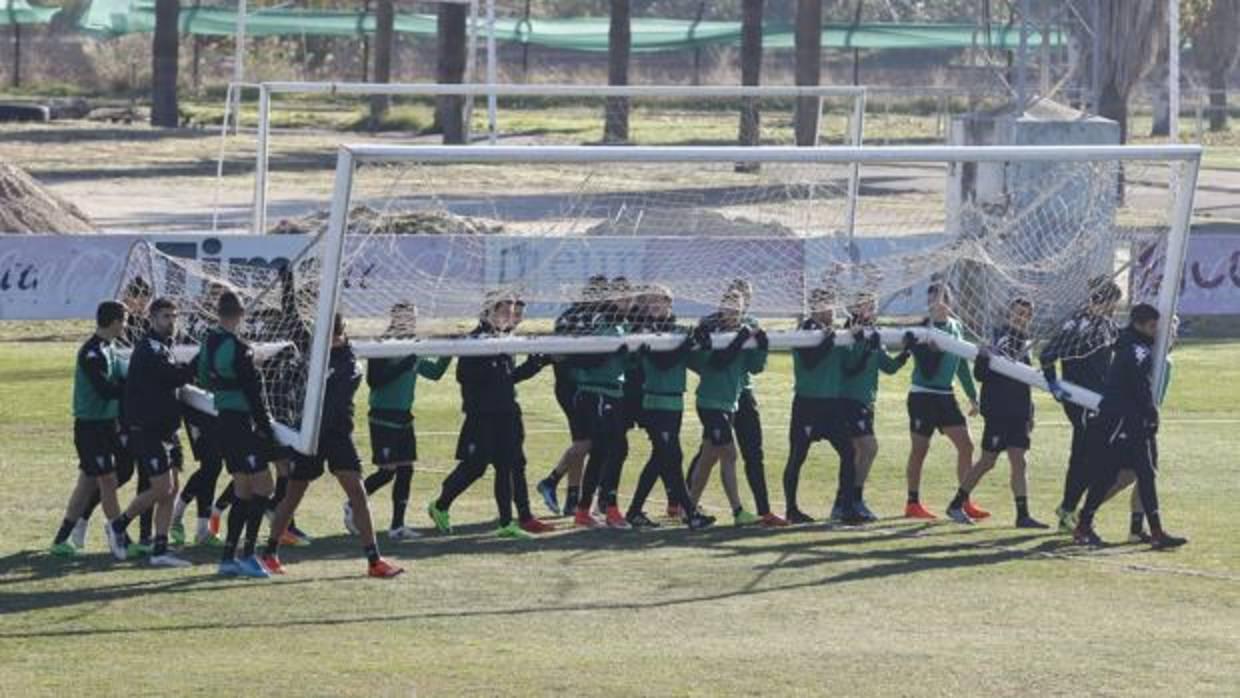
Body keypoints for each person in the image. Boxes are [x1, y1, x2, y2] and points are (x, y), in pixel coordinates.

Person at [261, 314, 404, 578]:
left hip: (335, 436)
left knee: (358, 495)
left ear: (337, 335)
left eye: (328, 336)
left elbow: (334, 404)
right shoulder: (312, 356)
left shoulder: (349, 363)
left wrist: (303, 436)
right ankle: (269, 554)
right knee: (292, 496)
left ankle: (374, 560)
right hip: (311, 436)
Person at [427, 292, 553, 539]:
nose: (510, 316)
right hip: (481, 416)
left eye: (512, 311)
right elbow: (464, 376)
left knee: (507, 466)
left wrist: (536, 365)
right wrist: (493, 370)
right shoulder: (475, 340)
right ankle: (440, 505)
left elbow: (510, 378)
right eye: (505, 311)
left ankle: (507, 523)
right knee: (474, 467)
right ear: (489, 313)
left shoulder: (505, 341)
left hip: (505, 414)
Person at [1073, 304, 1186, 550]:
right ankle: (1084, 523)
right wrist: (1151, 412)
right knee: (1110, 475)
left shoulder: (1136, 344)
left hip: (1130, 419)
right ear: (1140, 324)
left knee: (1141, 474)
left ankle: (1152, 530)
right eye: (1153, 326)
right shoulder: (1135, 348)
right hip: (1121, 420)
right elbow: (1138, 384)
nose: (1156, 331)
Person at [349, 302, 452, 541]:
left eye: (413, 318)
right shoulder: (383, 344)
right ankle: (352, 504)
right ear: (394, 318)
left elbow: (434, 373)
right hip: (383, 415)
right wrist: (406, 362)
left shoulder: (413, 345)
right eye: (405, 317)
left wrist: (450, 350)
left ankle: (397, 526)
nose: (410, 322)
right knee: (387, 472)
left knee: (406, 470)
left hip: (404, 416)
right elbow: (375, 380)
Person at [685, 279, 783, 526]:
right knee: (728, 453)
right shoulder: (710, 327)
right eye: (729, 304)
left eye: (738, 304)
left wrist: (761, 348)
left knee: (709, 456)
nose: (733, 309)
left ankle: (689, 508)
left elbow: (753, 366)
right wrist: (738, 341)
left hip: (731, 401)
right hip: (711, 401)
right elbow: (712, 363)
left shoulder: (748, 328)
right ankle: (737, 510)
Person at [944, 298, 1049, 528]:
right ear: (1009, 314)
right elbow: (981, 374)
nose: (1022, 318)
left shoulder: (1024, 341)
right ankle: (956, 504)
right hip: (999, 410)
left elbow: (1025, 380)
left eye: (1027, 314)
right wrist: (985, 356)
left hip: (1019, 411)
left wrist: (1029, 411)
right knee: (988, 461)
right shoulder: (999, 337)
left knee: (1019, 461)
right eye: (1019, 313)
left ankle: (1023, 515)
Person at [109, 296, 195, 567]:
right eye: (165, 316)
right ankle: (118, 525)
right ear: (153, 319)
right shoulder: (148, 349)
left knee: (171, 490)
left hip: (167, 431)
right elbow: (173, 377)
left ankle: (160, 549)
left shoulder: (163, 346)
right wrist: (200, 361)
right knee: (162, 487)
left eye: (174, 316)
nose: (171, 321)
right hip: (148, 430)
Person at [622, 285, 715, 530]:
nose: (654, 303)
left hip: (675, 402)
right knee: (671, 458)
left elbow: (698, 364)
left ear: (669, 303)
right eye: (650, 300)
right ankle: (690, 514)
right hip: (655, 401)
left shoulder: (678, 330)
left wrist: (703, 345)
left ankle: (634, 512)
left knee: (662, 458)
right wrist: (687, 344)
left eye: (659, 299)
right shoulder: (645, 330)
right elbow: (662, 363)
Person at [49, 301, 132, 559]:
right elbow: (105, 389)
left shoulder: (111, 347)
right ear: (116, 322)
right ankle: (120, 536)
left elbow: (123, 379)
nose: (127, 325)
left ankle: (62, 538)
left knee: (88, 482)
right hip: (90, 427)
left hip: (108, 425)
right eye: (126, 320)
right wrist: (136, 392)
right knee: (106, 479)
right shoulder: (91, 352)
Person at [203, 291, 277, 578]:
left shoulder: (209, 341)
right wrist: (266, 428)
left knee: (242, 490)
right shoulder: (240, 348)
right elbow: (253, 393)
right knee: (264, 486)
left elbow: (202, 375)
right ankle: (246, 554)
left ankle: (228, 557)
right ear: (240, 315)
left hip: (223, 421)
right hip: (242, 424)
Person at [1039, 276, 1121, 532]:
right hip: (1082, 400)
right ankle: (1069, 509)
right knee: (1093, 457)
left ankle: (1067, 508)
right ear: (1103, 300)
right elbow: (1047, 354)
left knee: (1084, 456)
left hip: (1099, 401)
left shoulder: (1106, 324)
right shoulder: (1077, 324)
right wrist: (1054, 384)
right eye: (1113, 303)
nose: (1114, 308)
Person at [782, 289, 862, 524]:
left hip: (832, 405)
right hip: (807, 403)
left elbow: (849, 370)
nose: (832, 311)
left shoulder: (836, 335)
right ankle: (791, 509)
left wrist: (860, 348)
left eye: (833, 305)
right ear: (815, 307)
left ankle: (846, 507)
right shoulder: (805, 331)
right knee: (797, 456)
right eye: (828, 305)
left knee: (849, 452)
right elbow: (810, 361)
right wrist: (831, 339)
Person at [903, 283, 981, 520]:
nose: (936, 303)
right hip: (922, 396)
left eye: (941, 298)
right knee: (920, 449)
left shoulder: (956, 327)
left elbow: (961, 366)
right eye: (932, 299)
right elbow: (925, 370)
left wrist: (973, 396)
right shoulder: (922, 329)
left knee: (966, 446)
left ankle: (963, 500)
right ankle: (913, 503)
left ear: (950, 301)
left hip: (946, 396)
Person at [536, 275, 608, 516]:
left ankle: (572, 499)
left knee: (582, 440)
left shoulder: (577, 314)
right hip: (573, 387)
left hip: (574, 386)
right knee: (587, 442)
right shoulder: (577, 316)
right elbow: (562, 354)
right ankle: (551, 481)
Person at [839, 293, 911, 521]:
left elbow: (888, 367)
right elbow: (848, 367)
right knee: (868, 448)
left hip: (867, 401)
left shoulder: (874, 334)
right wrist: (866, 350)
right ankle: (854, 499)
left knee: (857, 453)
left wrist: (907, 352)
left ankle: (844, 502)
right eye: (865, 305)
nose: (870, 309)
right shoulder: (849, 332)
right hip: (849, 400)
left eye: (873, 305)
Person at [568, 280, 635, 529]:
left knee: (604, 451)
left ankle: (585, 510)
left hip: (614, 394)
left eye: (629, 298)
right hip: (596, 393)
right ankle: (609, 508)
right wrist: (614, 351)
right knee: (614, 448)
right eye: (621, 298)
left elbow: (625, 364)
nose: (626, 303)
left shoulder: (623, 326)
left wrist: (633, 355)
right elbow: (586, 357)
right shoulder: (598, 321)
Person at [170, 281, 228, 548]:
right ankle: (186, 517)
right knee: (211, 464)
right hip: (195, 402)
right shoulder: (193, 328)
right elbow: (181, 362)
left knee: (213, 466)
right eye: (213, 298)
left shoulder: (222, 330)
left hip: (219, 403)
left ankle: (194, 522)